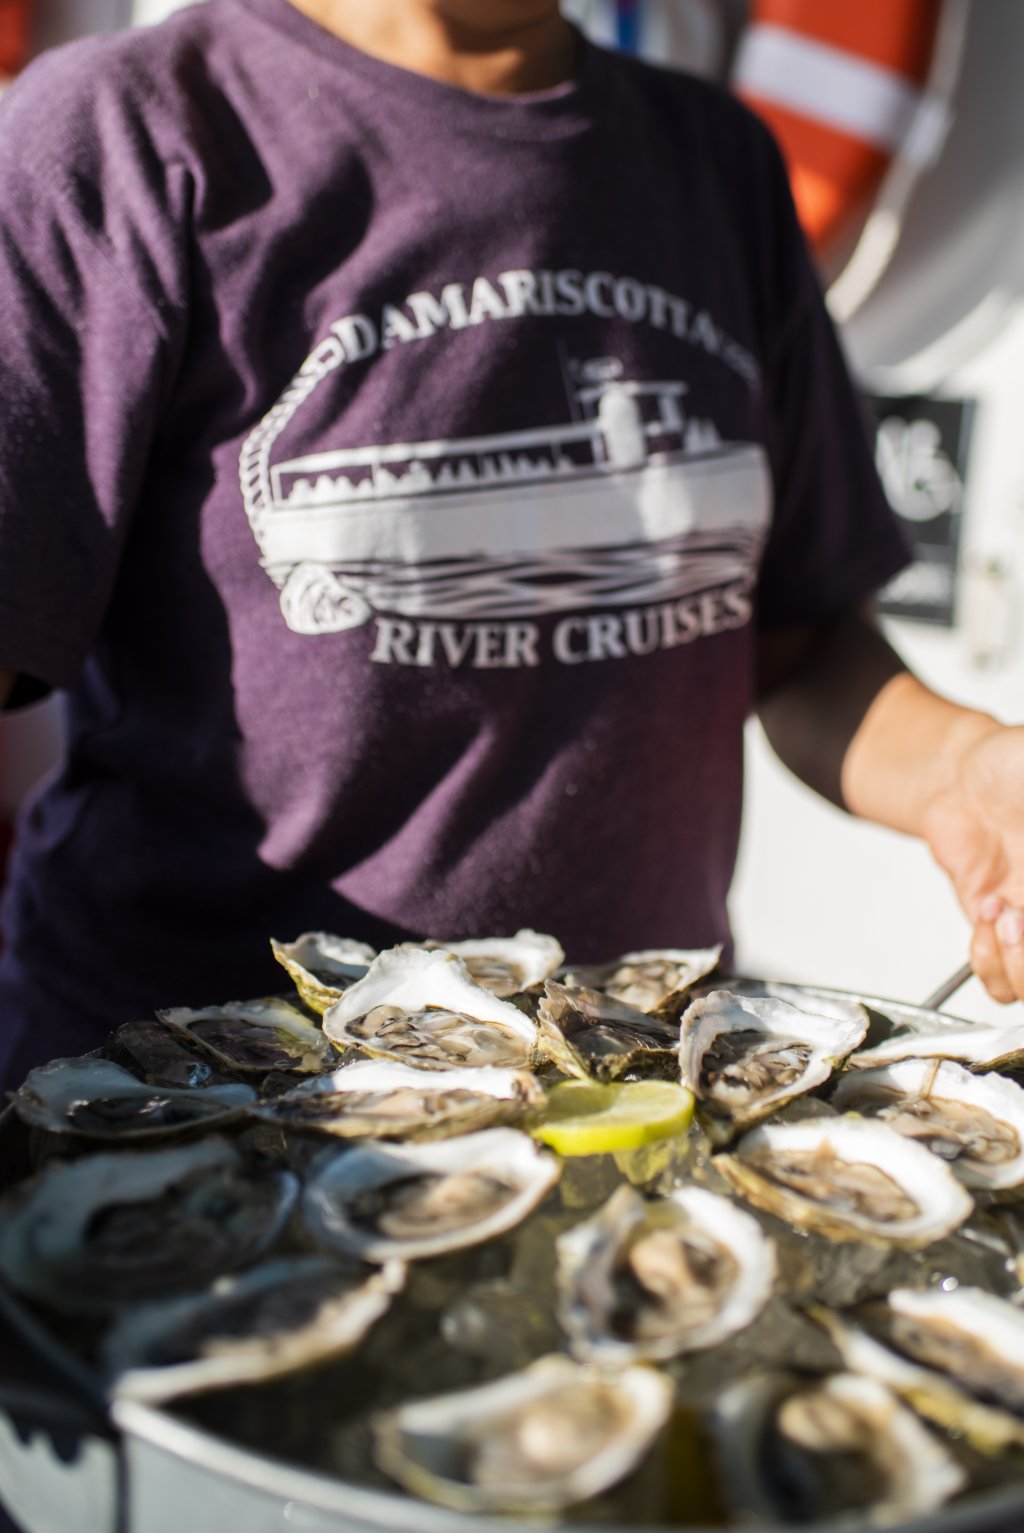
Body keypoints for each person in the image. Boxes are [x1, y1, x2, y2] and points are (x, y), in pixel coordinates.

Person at [0, 0, 1022, 1093]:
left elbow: (799, 649)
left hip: (624, 1090)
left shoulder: (714, 159)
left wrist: (966, 772)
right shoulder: (120, 134)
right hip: (194, 1097)